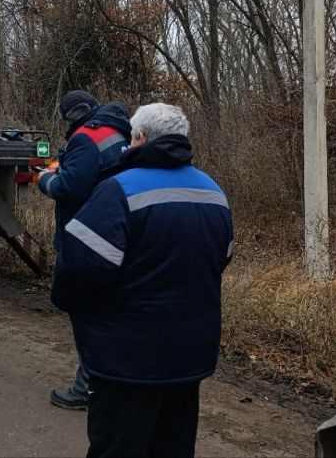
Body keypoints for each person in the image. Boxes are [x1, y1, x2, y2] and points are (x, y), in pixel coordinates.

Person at [51, 103, 234, 458]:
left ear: (140, 138)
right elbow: (222, 257)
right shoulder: (214, 192)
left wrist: (77, 310)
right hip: (188, 357)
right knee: (174, 447)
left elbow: (78, 269)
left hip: (126, 361)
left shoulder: (118, 190)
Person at [38, 90, 131, 411]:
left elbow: (70, 188)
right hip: (118, 234)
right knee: (109, 313)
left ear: (71, 115)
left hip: (86, 236)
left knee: (87, 314)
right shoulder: (121, 130)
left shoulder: (83, 138)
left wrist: (46, 179)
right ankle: (108, 381)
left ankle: (87, 388)